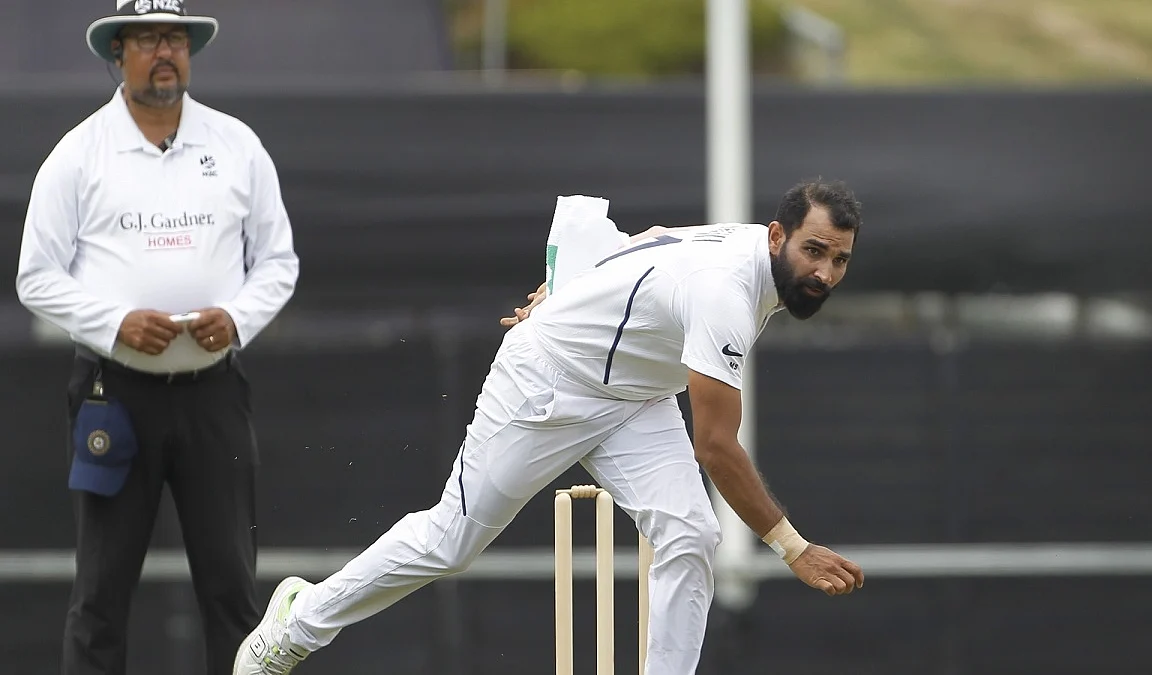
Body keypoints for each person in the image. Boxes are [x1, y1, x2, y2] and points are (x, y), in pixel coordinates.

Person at [233, 181, 864, 675]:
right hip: (549, 380)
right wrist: (793, 548)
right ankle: (298, 621)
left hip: (638, 399)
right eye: (813, 252)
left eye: (839, 259)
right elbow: (716, 446)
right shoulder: (724, 290)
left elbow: (650, 241)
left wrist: (568, 286)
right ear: (777, 235)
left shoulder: (751, 248)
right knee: (451, 542)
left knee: (691, 533)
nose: (825, 274)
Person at [15, 2, 299, 674]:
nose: (164, 51)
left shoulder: (236, 145)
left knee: (233, 590)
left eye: (176, 38)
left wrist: (237, 318)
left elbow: (278, 261)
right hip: (115, 396)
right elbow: (35, 276)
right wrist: (114, 322)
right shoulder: (79, 153)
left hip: (213, 392)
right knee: (100, 596)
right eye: (147, 39)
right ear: (118, 54)